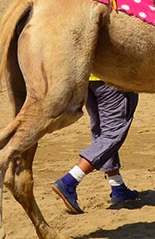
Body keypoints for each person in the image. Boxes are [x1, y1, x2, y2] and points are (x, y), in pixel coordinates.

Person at [51, 78, 141, 214]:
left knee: (100, 131)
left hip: (88, 79)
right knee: (112, 135)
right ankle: (69, 181)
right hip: (112, 78)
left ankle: (118, 187)